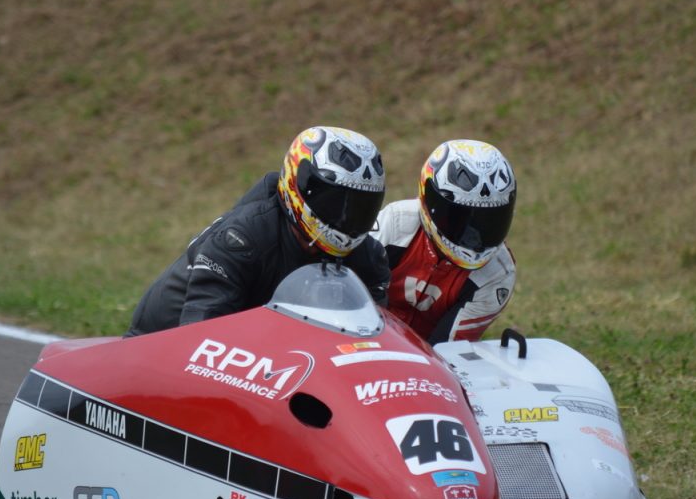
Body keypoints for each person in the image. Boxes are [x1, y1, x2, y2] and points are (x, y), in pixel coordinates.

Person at [126, 126, 390, 337]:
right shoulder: (241, 240)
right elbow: (199, 337)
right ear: (298, 186)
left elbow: (372, 341)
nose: (347, 220)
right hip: (159, 349)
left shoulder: (369, 257)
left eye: (360, 208)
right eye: (335, 203)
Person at [371, 139, 516, 344]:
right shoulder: (395, 224)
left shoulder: (498, 273)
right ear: (429, 200)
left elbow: (448, 353)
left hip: (429, 361)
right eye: (459, 218)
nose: (473, 236)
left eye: (489, 220)